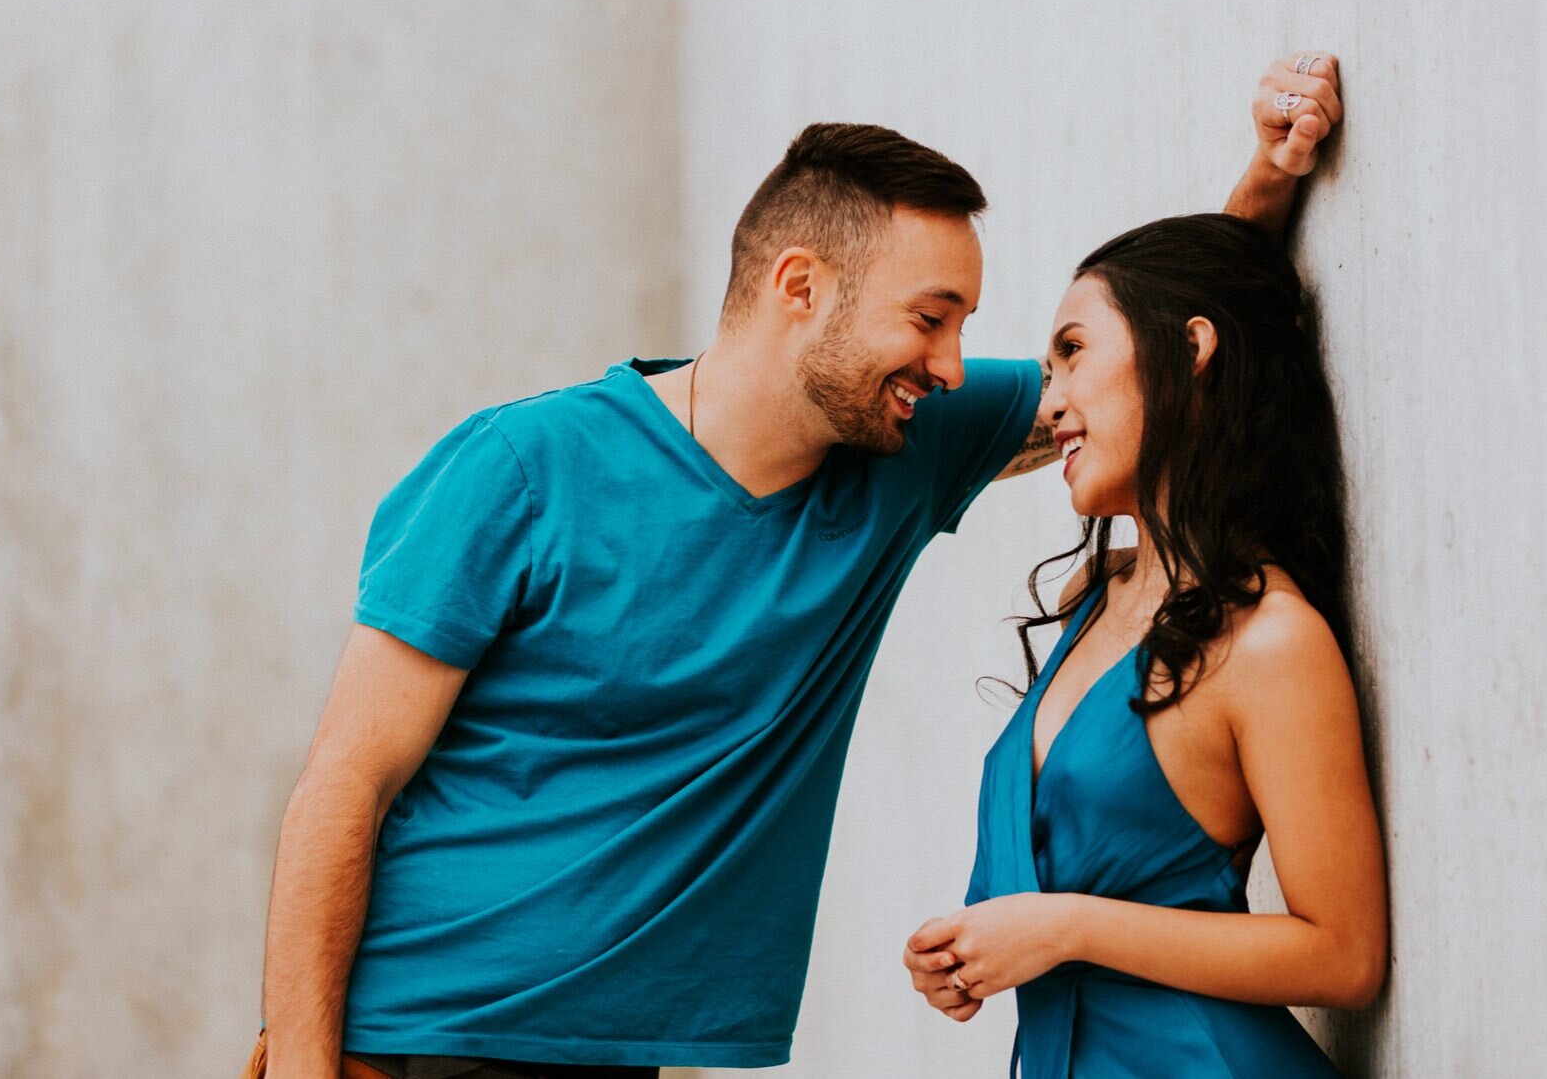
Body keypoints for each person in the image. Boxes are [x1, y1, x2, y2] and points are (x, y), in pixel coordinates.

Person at [248, 54, 1345, 1079]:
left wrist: (1263, 182)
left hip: (604, 1050)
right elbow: (347, 780)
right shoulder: (520, 469)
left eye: (961, 324)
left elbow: (1141, 375)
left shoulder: (902, 445)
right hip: (420, 1036)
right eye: (928, 318)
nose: (953, 364)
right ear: (798, 285)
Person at [901, 206, 1386, 1076]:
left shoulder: (1270, 642)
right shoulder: (1099, 595)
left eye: (1073, 352)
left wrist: (1065, 928)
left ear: (1192, 350)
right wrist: (973, 948)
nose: (1051, 404)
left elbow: (1344, 954)